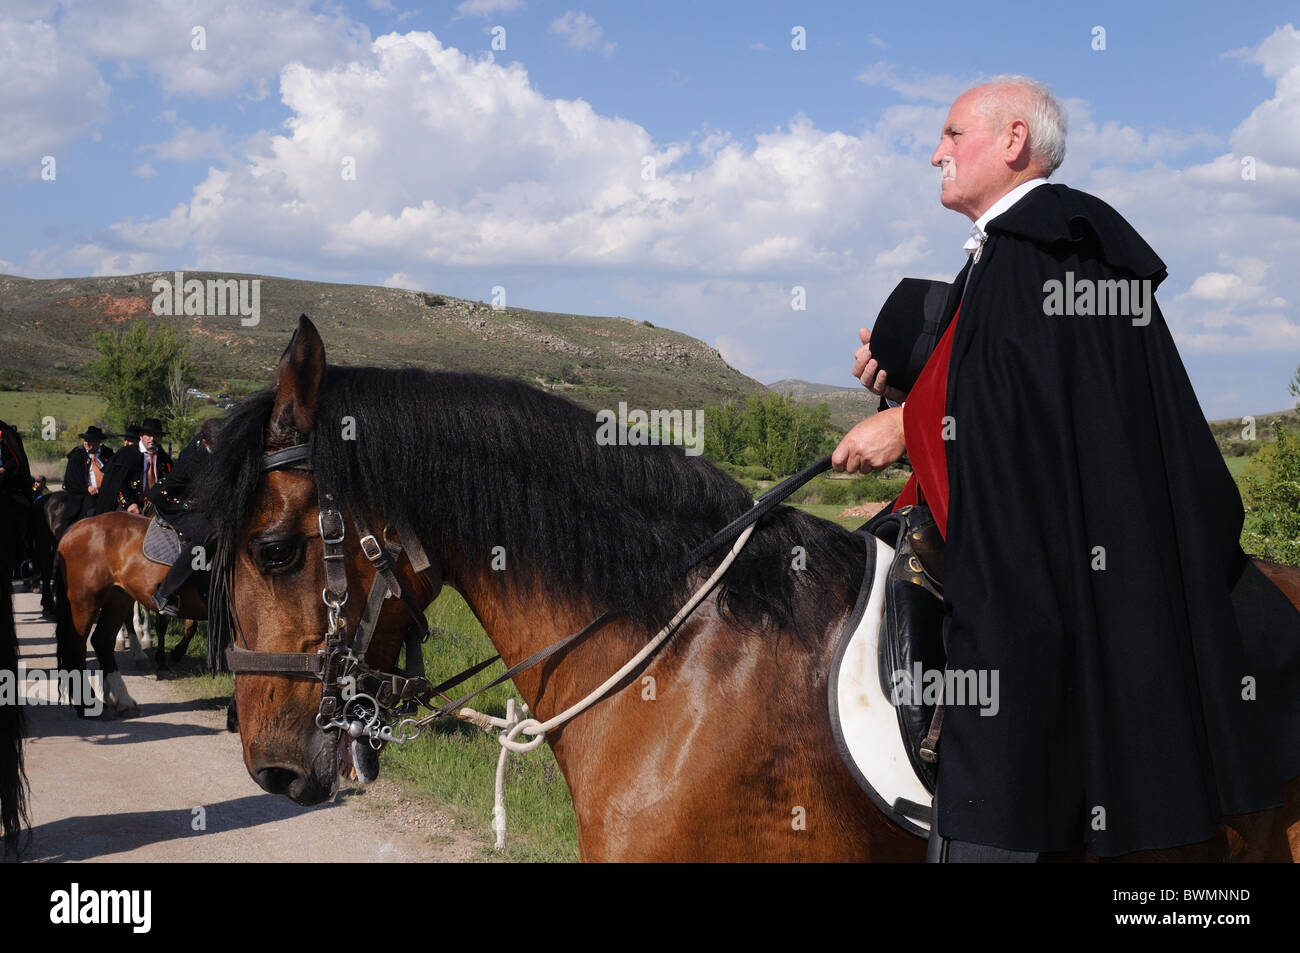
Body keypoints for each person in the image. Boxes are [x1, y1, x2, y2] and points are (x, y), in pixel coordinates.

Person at [833, 75, 1300, 860]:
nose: (935, 152)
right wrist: (918, 391)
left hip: (1043, 598)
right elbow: (1024, 400)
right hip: (1047, 570)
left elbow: (1029, 436)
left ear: (1014, 140)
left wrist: (909, 428)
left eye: (952, 135)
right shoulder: (1022, 256)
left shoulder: (1042, 252)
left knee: (1010, 811)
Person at [148, 419, 218, 616]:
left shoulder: (211, 445)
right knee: (209, 535)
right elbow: (208, 493)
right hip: (174, 504)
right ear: (205, 442)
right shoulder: (193, 459)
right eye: (217, 443)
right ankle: (164, 592)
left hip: (195, 500)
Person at [98, 418, 172, 515]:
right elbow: (118, 483)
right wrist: (130, 503)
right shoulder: (126, 454)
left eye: (156, 435)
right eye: (149, 435)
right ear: (141, 436)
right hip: (129, 503)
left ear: (160, 438)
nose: (152, 439)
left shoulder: (163, 457)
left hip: (155, 505)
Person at [62, 425, 114, 528]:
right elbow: (71, 480)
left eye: (90, 440)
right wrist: (87, 488)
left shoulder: (108, 454)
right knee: (91, 512)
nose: (86, 443)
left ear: (98, 442)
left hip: (106, 494)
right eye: (85, 440)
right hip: (85, 494)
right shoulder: (77, 456)